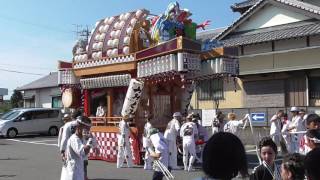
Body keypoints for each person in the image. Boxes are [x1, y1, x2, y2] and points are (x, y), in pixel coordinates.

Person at [62, 116, 92, 180]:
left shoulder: (82, 137)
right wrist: (90, 141)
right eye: (86, 127)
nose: (88, 130)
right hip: (73, 172)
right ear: (79, 126)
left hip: (78, 169)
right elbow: (83, 152)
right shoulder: (74, 139)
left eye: (89, 128)